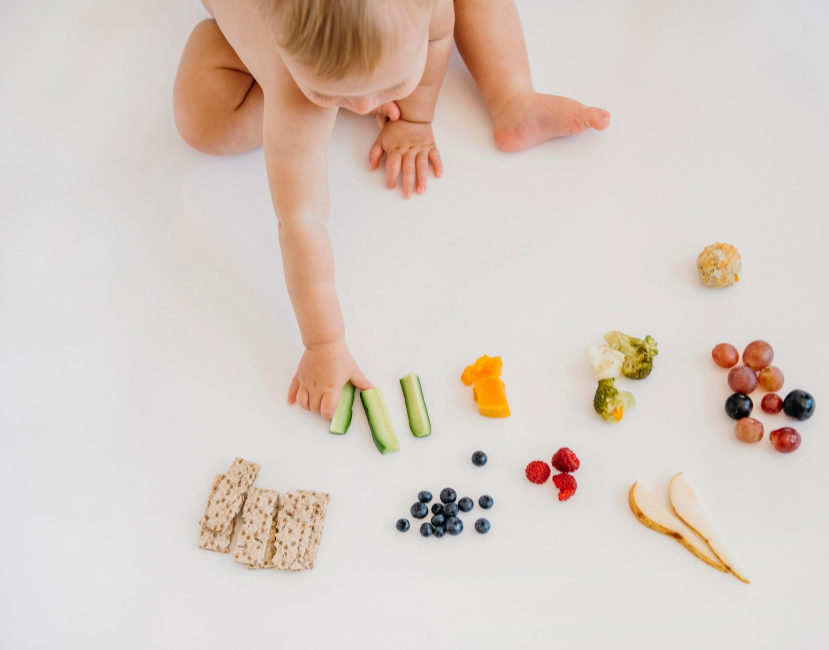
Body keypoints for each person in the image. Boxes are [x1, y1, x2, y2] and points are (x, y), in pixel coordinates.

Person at [173, 0, 610, 419]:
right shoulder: (294, 95)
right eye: (332, 91)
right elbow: (300, 220)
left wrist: (414, 117)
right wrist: (324, 343)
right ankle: (330, 71)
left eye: (390, 86)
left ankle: (514, 98)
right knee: (202, 121)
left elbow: (438, 37)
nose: (365, 108)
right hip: (264, 43)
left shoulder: (430, 9)